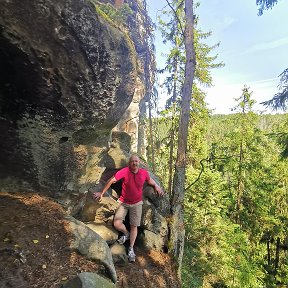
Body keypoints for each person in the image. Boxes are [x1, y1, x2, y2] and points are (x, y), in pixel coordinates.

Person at [93, 155, 164, 262]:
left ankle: (131, 249)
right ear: (129, 163)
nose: (134, 163)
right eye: (132, 161)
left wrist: (157, 187)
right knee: (116, 223)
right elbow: (112, 180)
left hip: (137, 204)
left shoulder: (143, 173)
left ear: (138, 163)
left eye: (136, 161)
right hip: (124, 202)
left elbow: (150, 181)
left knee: (134, 226)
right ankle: (126, 233)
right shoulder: (125, 171)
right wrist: (101, 193)